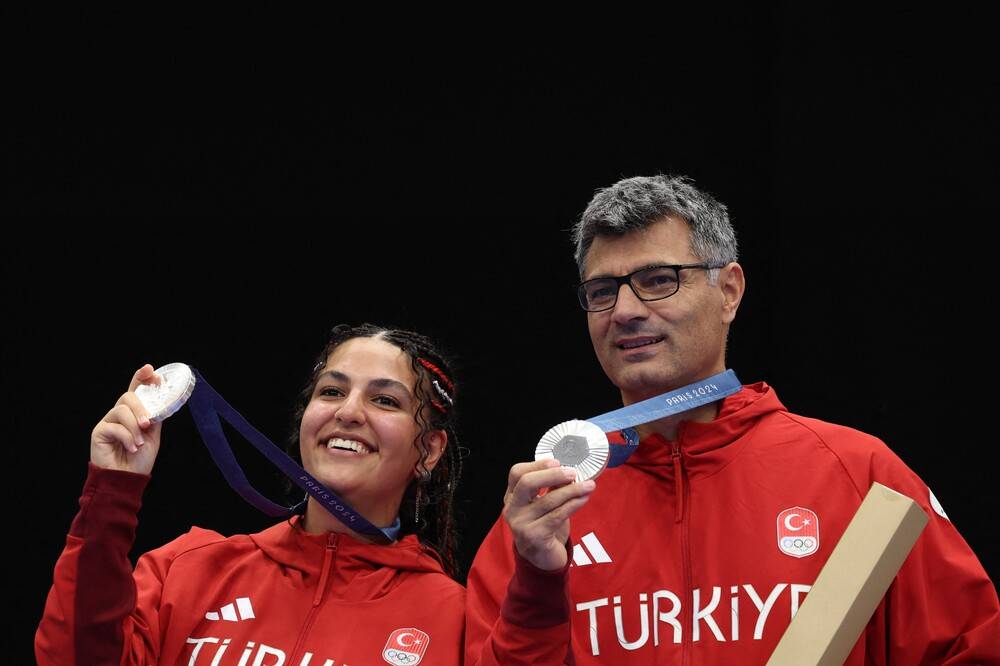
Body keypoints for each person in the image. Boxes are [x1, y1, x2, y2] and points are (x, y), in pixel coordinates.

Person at [465, 175, 1000, 664]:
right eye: (602, 291)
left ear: (729, 291)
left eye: (658, 279)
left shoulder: (857, 473)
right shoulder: (541, 514)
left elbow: (970, 648)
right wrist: (537, 582)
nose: (624, 310)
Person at [37, 323, 468, 666]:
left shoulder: (454, 620)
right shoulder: (189, 569)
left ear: (428, 451)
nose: (348, 412)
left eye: (385, 401)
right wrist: (112, 492)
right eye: (332, 391)